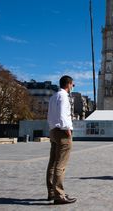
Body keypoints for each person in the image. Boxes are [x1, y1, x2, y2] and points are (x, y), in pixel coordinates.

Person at [46, 75, 77, 205]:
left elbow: (50, 116)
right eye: (72, 85)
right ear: (68, 84)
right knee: (61, 164)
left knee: (52, 163)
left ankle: (52, 192)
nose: (73, 87)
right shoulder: (64, 96)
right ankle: (59, 195)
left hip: (53, 131)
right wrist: (67, 130)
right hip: (62, 132)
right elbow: (63, 114)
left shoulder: (53, 97)